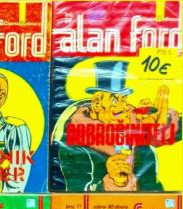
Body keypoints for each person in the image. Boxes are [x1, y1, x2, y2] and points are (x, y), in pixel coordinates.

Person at [53, 60, 180, 191]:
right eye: (114, 101)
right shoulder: (74, 145)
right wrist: (115, 183)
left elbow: (154, 188)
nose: (122, 107)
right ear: (97, 104)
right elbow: (75, 193)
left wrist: (168, 122)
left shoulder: (140, 141)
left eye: (123, 99)